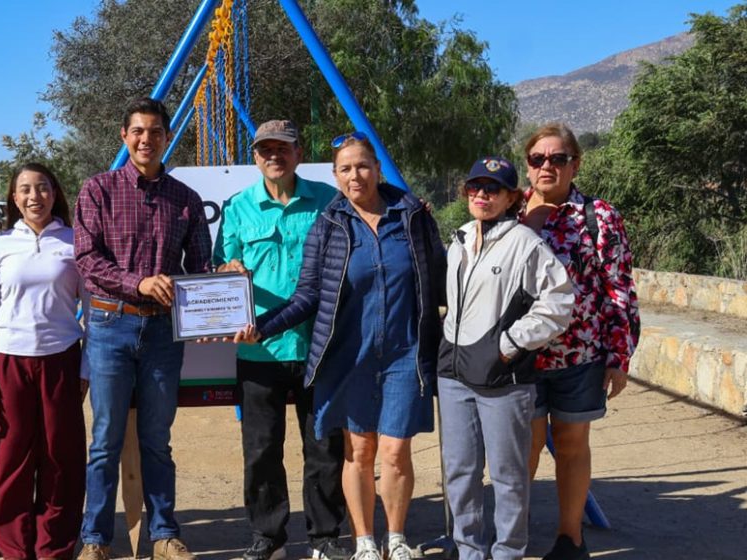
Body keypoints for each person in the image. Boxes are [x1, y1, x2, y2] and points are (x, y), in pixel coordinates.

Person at [237, 132, 445, 560]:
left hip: (405, 354)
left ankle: (398, 539)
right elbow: (307, 295)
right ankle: (365, 541)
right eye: (346, 169)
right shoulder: (329, 225)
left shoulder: (412, 217)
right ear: (335, 175)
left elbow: (444, 278)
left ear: (378, 169)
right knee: (359, 450)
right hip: (350, 354)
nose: (356, 175)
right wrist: (264, 326)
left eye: (363, 166)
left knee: (395, 450)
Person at [74, 97, 213, 560]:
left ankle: (164, 535)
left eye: (155, 131)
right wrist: (140, 282)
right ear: (124, 135)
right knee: (105, 439)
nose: (146, 139)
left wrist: (223, 283)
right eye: (137, 131)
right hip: (110, 325)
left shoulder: (186, 200)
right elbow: (88, 261)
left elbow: (200, 269)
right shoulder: (98, 190)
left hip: (161, 335)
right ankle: (95, 539)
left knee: (157, 440)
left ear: (166, 137)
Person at [211, 120, 348, 560]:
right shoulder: (237, 208)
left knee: (325, 447)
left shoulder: (329, 201)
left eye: (282, 148)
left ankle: (325, 537)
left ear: (298, 152)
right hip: (258, 348)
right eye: (265, 149)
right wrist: (226, 272)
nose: (274, 155)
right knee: (261, 449)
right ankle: (268, 538)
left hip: (319, 345)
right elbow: (220, 268)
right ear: (255, 157)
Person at [436, 157, 574, 560]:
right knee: (460, 472)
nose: (482, 195)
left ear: (512, 197)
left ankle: (508, 552)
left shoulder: (525, 244)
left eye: (492, 189)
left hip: (503, 378)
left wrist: (510, 344)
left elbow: (559, 301)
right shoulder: (459, 239)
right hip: (454, 374)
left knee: (508, 477)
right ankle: (469, 551)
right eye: (474, 187)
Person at [521, 124, 639, 560]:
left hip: (581, 355)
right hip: (519, 358)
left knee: (571, 446)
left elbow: (619, 288)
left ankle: (570, 538)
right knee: (522, 449)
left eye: (557, 158)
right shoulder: (506, 212)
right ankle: (511, 536)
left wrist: (619, 356)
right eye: (538, 159)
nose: (547, 166)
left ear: (575, 163)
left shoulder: (599, 216)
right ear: (527, 165)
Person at [0, 162, 87, 560]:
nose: (34, 196)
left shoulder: (75, 243)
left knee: (63, 456)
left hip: (61, 360)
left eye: (42, 188)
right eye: (25, 189)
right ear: (14, 198)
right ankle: (14, 548)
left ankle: (54, 547)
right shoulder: (0, 246)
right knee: (12, 457)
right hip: (9, 361)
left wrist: (86, 367)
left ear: (55, 194)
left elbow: (91, 309)